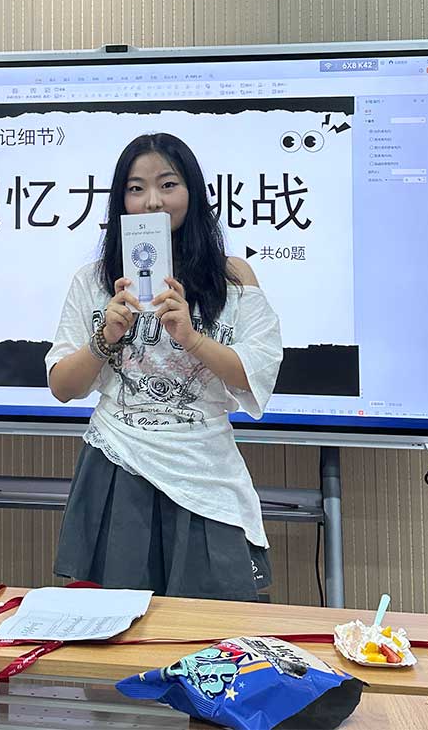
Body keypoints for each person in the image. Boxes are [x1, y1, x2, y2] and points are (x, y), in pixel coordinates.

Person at [46, 132, 283, 601]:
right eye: (136, 189)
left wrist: (191, 338)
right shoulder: (94, 280)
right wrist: (106, 336)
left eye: (168, 185)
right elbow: (62, 386)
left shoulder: (231, 276)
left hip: (204, 467)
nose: (152, 201)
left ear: (193, 193)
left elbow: (255, 372)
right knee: (115, 624)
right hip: (117, 463)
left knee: (212, 627)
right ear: (121, 200)